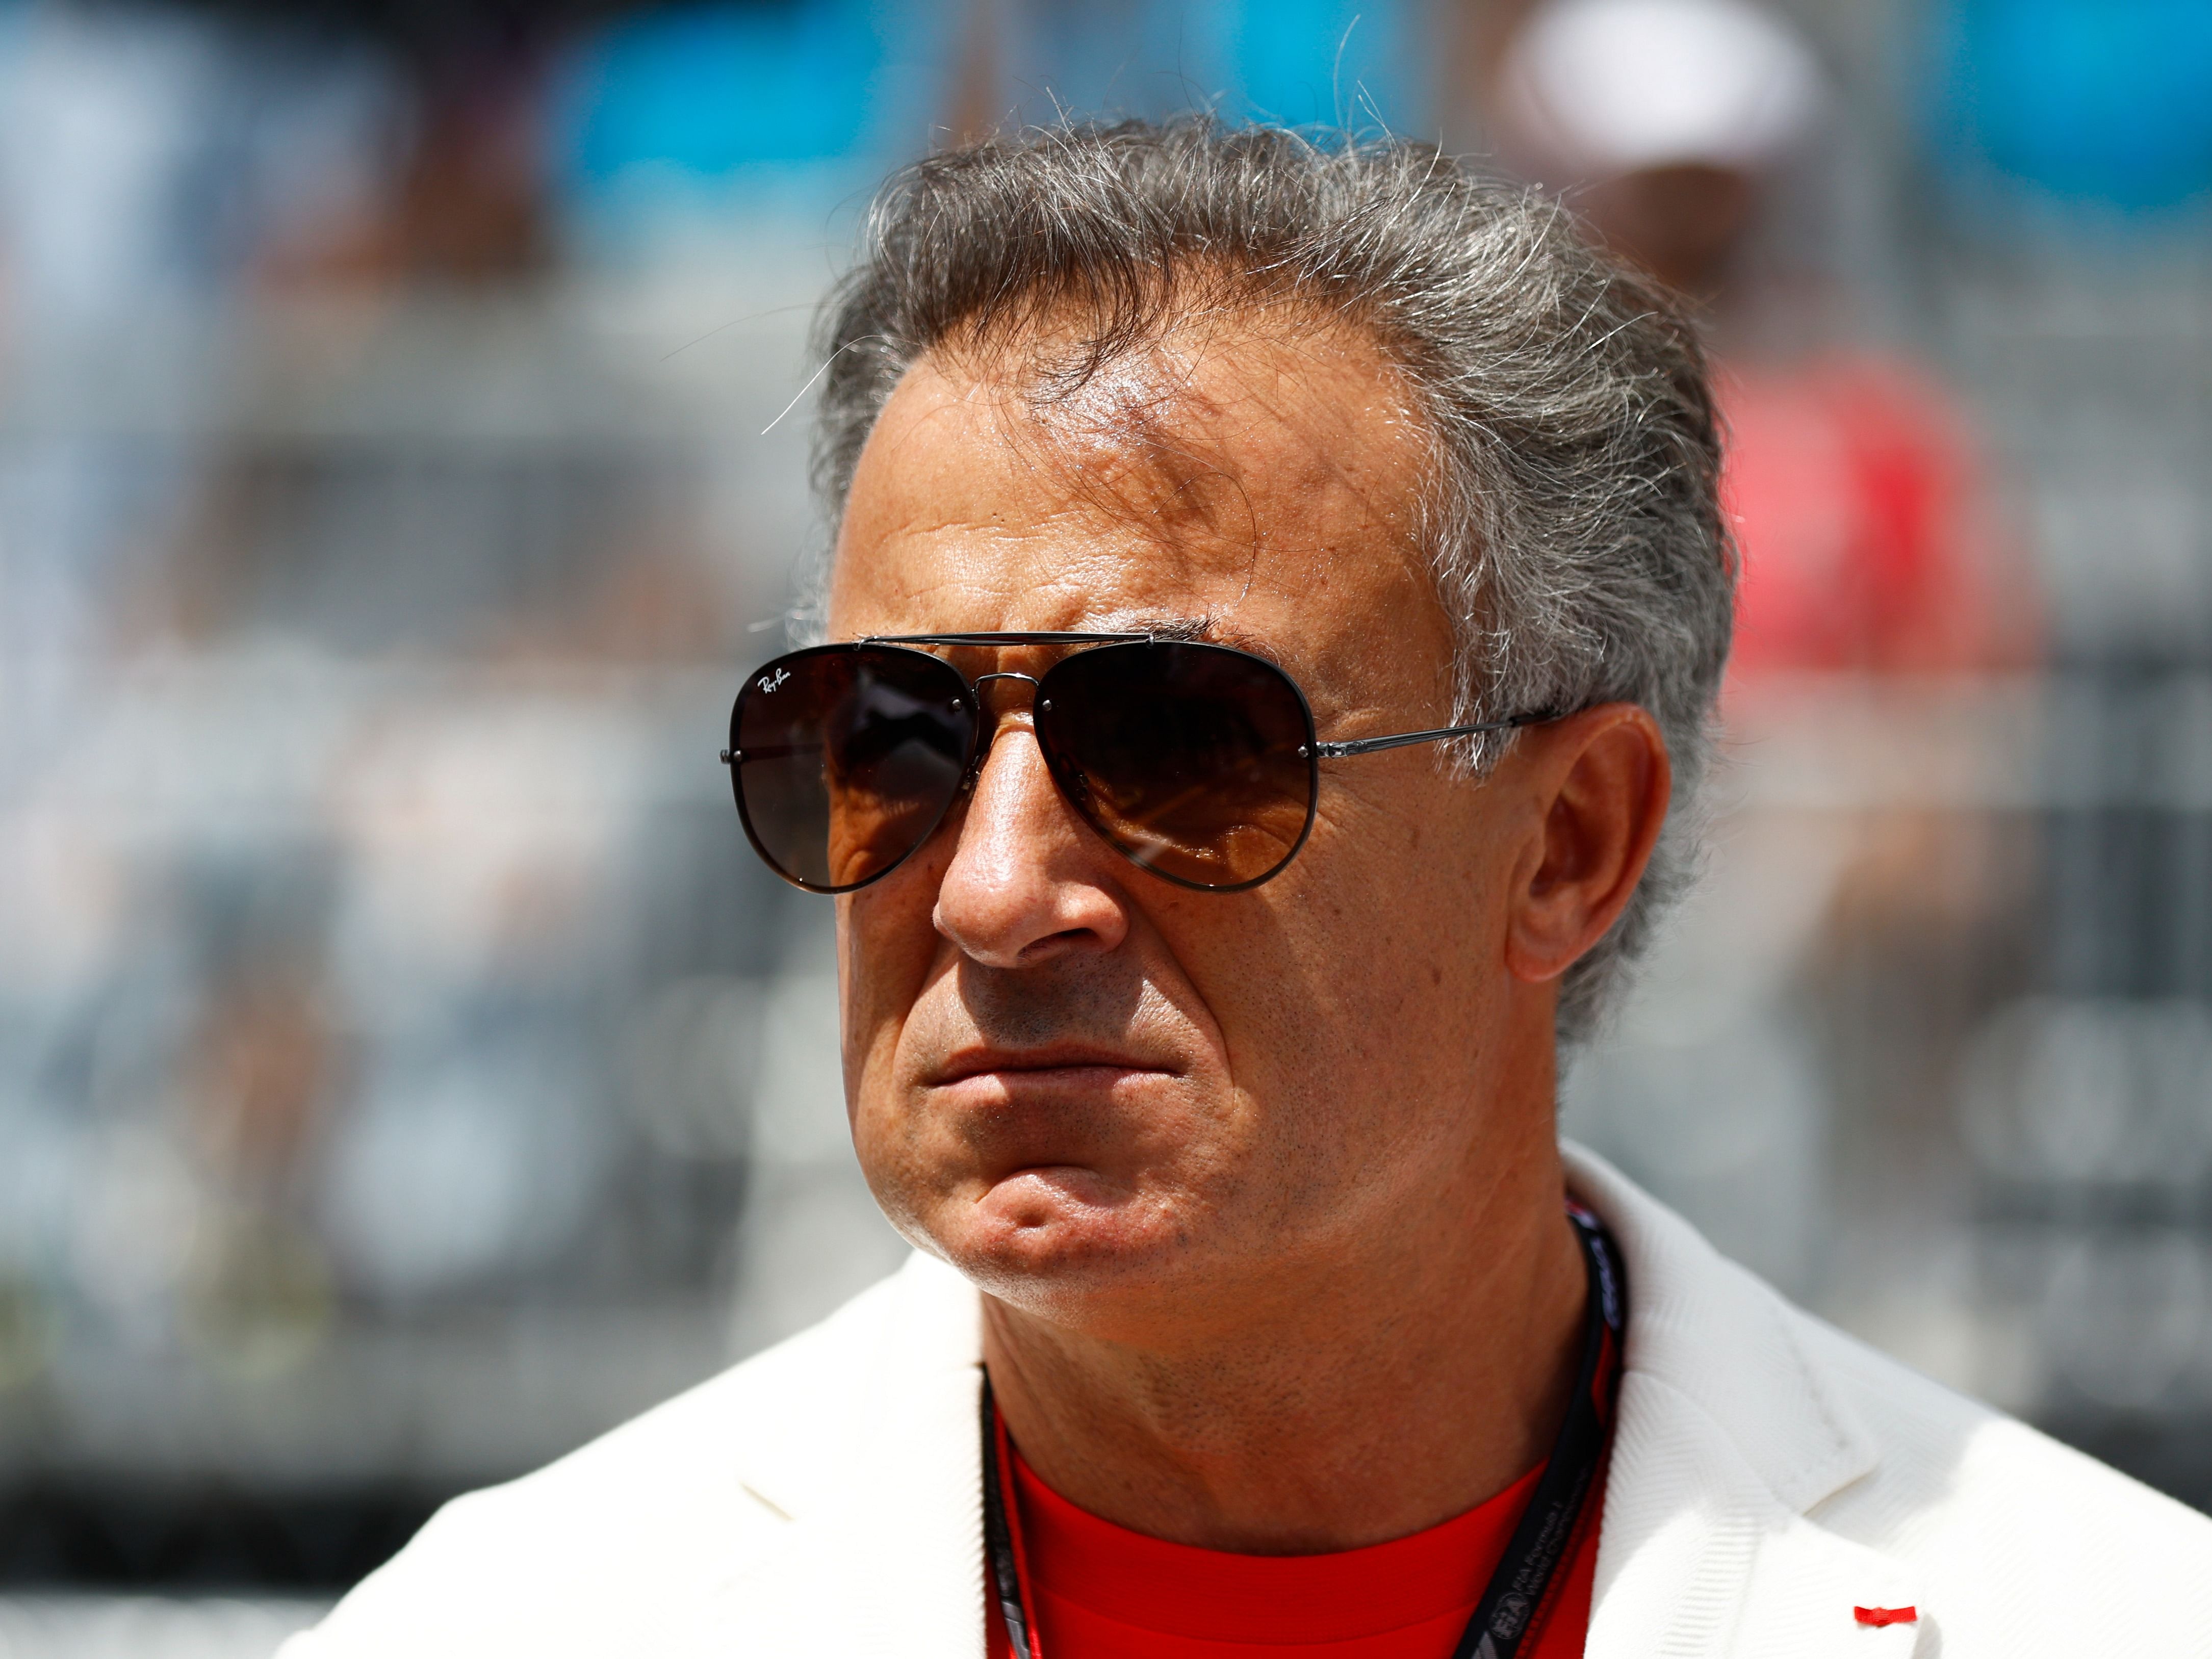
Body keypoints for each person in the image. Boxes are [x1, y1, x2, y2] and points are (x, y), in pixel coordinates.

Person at [280, 120, 2210, 1659]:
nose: (995, 894)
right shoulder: (516, 1624)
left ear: (1567, 843)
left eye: (1184, 744)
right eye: (889, 736)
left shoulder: (2092, 1618)